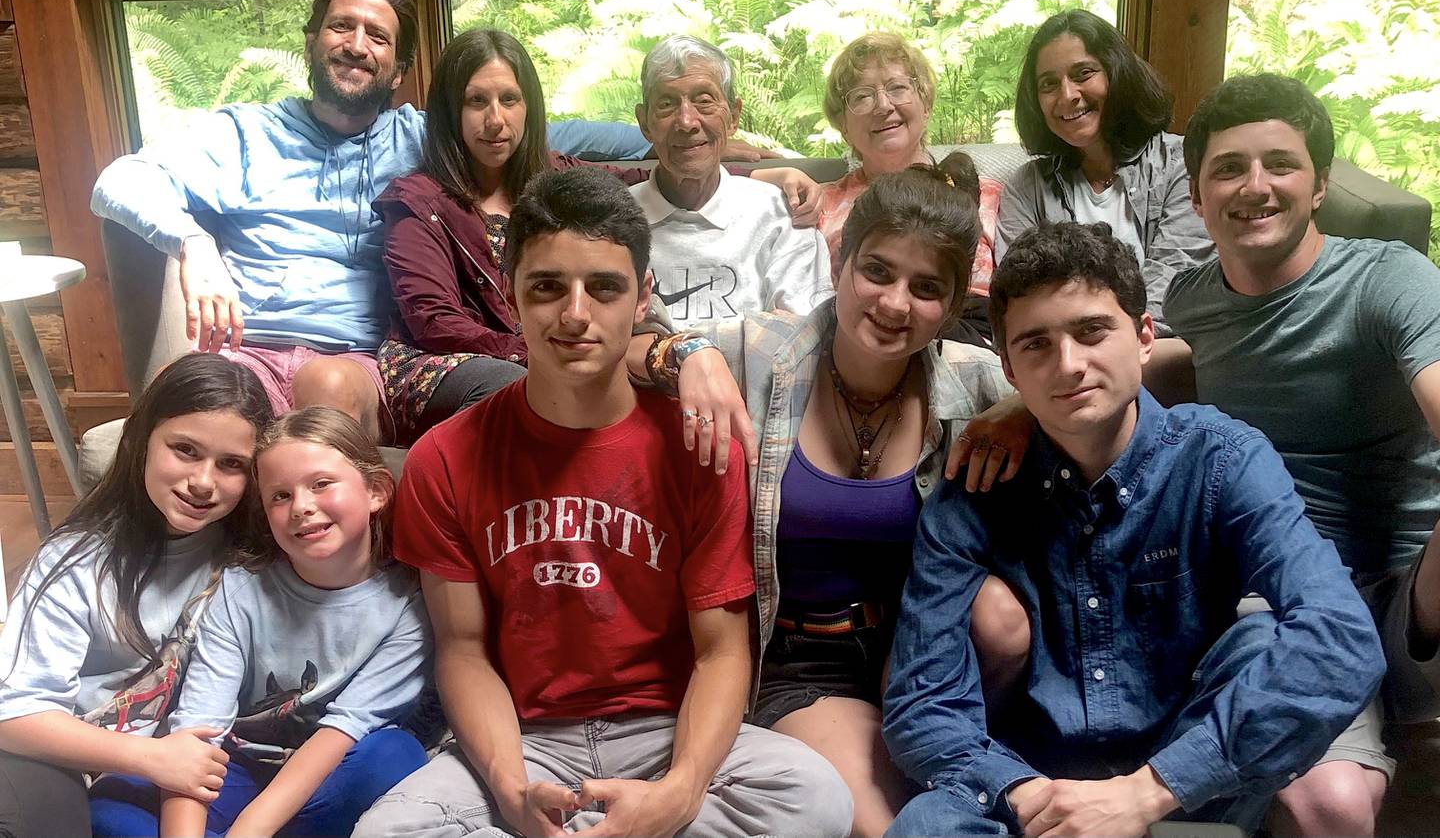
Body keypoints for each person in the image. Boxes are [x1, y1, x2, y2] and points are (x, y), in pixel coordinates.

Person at [355, 166, 853, 838]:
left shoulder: (699, 445)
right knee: (385, 833)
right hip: (525, 738)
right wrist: (510, 790)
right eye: (548, 287)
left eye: (605, 286)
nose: (576, 313)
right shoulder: (443, 458)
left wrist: (678, 792)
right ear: (511, 295)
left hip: (666, 730)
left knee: (815, 796)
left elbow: (722, 652)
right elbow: (463, 648)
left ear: (643, 295)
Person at [883, 221, 1384, 838]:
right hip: (1036, 781)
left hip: (1189, 774)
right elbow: (920, 702)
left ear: (1145, 337)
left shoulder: (1220, 459)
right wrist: (1029, 795)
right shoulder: (974, 486)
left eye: (1092, 331)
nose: (1069, 365)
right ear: (1009, 370)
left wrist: (1149, 792)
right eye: (1036, 345)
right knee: (925, 827)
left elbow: (1341, 635)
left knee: (1260, 643)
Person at [88, 0, 739, 439]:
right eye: (342, 26)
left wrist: (694, 139)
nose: (356, 44)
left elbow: (558, 136)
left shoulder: (413, 135)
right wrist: (192, 243)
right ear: (312, 38)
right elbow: (117, 183)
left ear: (397, 68)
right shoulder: (244, 134)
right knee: (181, 423)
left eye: (377, 35)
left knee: (329, 391)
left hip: (351, 356)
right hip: (255, 341)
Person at [689, 164, 1016, 836]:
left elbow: (1113, 390)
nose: (896, 303)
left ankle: (974, 755)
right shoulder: (757, 352)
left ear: (953, 306)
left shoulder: (970, 380)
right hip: (799, 657)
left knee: (1001, 615)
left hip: (920, 651)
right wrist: (686, 353)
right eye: (879, 271)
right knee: (884, 825)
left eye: (927, 288)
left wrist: (1027, 411)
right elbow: (629, 340)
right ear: (840, 264)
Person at [1164, 74, 1440, 837]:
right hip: (1288, 593)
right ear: (1197, 196)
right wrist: (1016, 406)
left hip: (1416, 581)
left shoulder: (1389, 280)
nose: (1255, 186)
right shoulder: (1193, 300)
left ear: (1319, 185)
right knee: (1329, 802)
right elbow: (1134, 360)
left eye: (1279, 163)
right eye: (1229, 167)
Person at [375, 28, 814, 447]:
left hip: (549, 350)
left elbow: (658, 177)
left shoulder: (553, 177)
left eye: (509, 99)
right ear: (451, 111)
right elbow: (436, 324)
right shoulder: (417, 201)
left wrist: (757, 175)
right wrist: (551, 352)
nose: (496, 119)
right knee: (520, 387)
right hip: (447, 363)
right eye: (476, 101)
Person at [90, 406, 432, 837]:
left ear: (377, 491)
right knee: (112, 802)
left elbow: (341, 733)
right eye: (280, 495)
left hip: (331, 774)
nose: (301, 507)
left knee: (395, 755)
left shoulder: (408, 606)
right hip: (236, 766)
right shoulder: (239, 589)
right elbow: (200, 727)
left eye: (321, 484)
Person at [0, 354, 273, 838]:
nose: (204, 482)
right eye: (185, 449)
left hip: (181, 769)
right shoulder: (77, 559)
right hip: (63, 752)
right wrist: (150, 757)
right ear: (141, 441)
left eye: (231, 464)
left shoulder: (253, 554)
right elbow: (14, 713)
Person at [997, 9, 1212, 334]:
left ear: (1117, 73)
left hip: (1165, 349)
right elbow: (1021, 291)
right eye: (1049, 84)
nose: (1067, 95)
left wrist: (1119, 348)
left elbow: (1178, 278)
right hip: (1065, 354)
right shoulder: (1027, 187)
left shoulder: (1180, 163)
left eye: (1083, 73)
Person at [814, 32, 1002, 344]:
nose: (883, 105)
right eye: (861, 96)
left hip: (977, 349)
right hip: (861, 347)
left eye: (897, 88)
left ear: (926, 104)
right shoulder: (819, 203)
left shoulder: (990, 195)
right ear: (843, 126)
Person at [633, 35, 833, 328]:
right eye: (666, 104)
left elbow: (802, 342)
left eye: (704, 101)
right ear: (644, 123)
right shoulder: (612, 224)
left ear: (734, 116)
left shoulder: (782, 217)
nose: (687, 121)